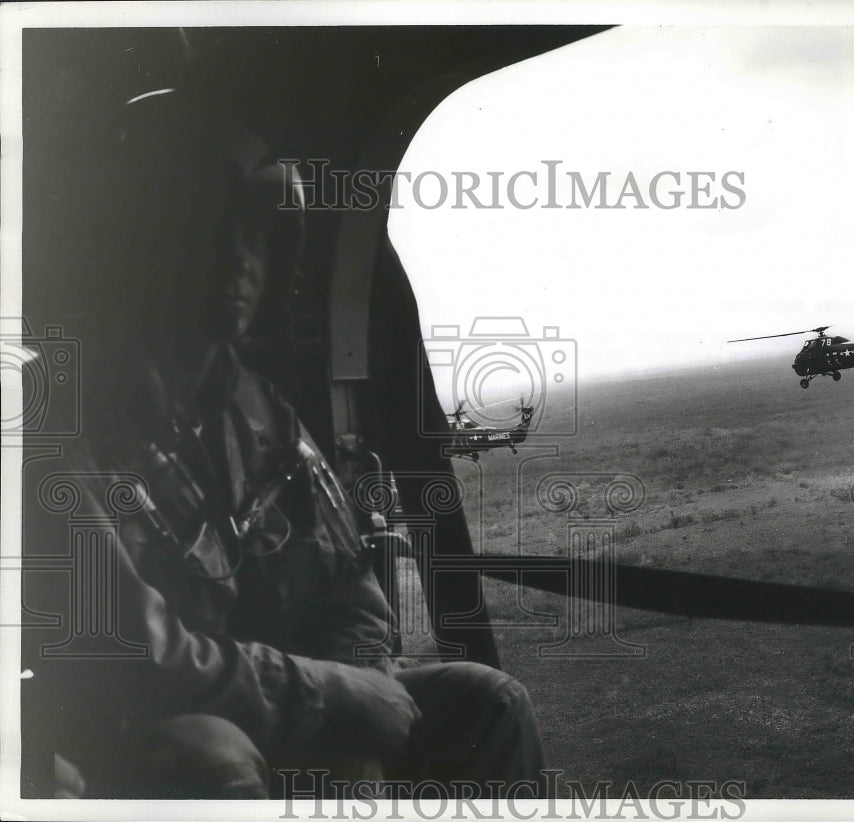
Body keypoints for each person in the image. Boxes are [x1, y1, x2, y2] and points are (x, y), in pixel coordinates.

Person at [21, 89, 544, 800]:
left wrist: (355, 703)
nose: (237, 263)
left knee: (490, 703)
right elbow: (138, 661)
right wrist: (332, 700)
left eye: (253, 238)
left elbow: (350, 589)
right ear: (131, 246)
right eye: (204, 234)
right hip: (131, 735)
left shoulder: (258, 409)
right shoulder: (53, 424)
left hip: (283, 704)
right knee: (210, 753)